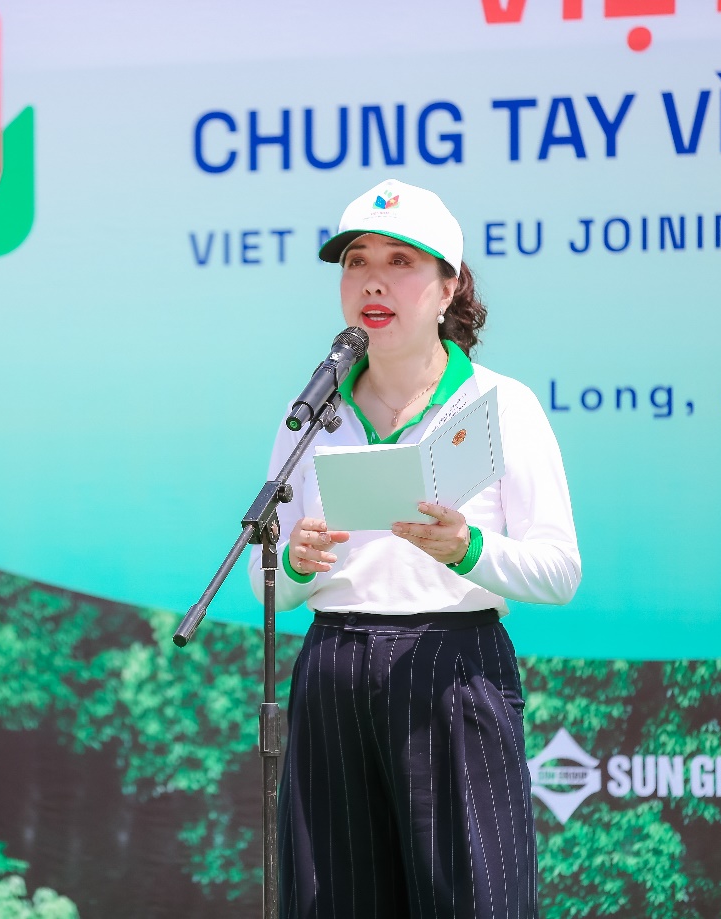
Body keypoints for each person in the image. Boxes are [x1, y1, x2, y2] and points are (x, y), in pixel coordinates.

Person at [246, 178, 581, 919]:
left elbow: (558, 570)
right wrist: (297, 563)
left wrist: (466, 549)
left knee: (473, 900)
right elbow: (263, 577)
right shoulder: (311, 411)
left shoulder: (499, 404)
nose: (371, 279)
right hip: (333, 667)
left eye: (400, 261)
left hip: (452, 668)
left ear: (446, 286)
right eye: (355, 260)